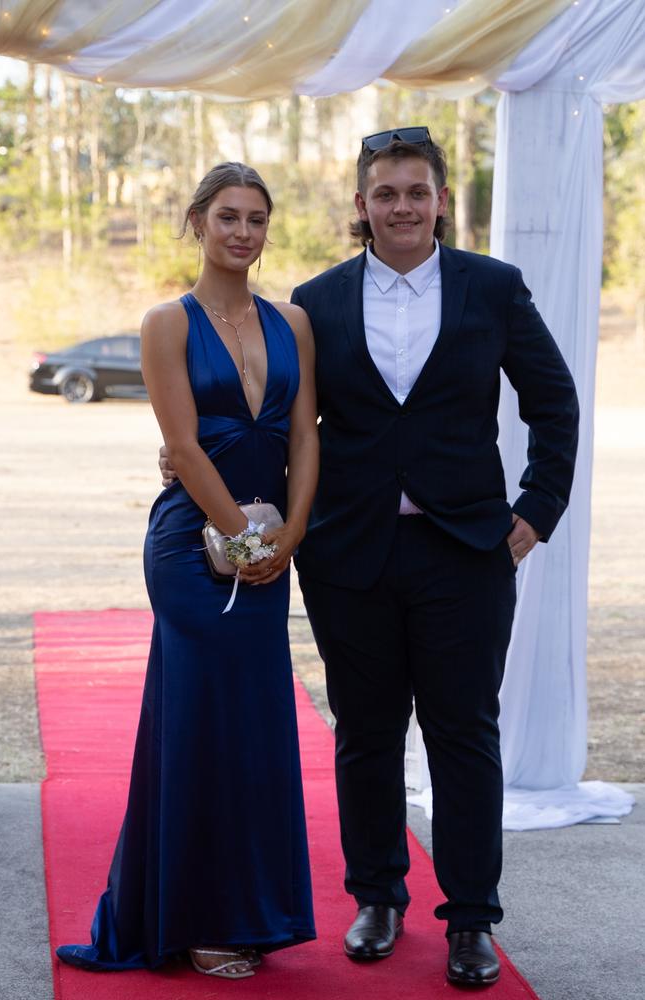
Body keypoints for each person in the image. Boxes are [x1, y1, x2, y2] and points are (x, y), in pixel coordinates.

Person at [161, 127, 579, 987]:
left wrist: (535, 513)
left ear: (438, 201)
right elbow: (285, 423)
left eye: (416, 192)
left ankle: (470, 918)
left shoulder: (493, 290)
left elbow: (555, 403)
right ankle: (378, 897)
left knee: (465, 735)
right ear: (361, 206)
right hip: (351, 553)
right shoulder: (313, 304)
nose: (401, 208)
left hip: (466, 552)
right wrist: (183, 456)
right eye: (385, 194)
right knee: (367, 735)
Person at [57, 162, 319, 979]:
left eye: (257, 219)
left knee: (257, 727)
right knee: (201, 723)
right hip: (191, 551)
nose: (243, 232)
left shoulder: (294, 322)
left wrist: (293, 535)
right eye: (229, 216)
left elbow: (306, 435)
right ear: (197, 221)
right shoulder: (165, 321)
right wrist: (243, 537)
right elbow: (182, 447)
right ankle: (199, 917)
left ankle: (255, 910)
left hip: (273, 547)